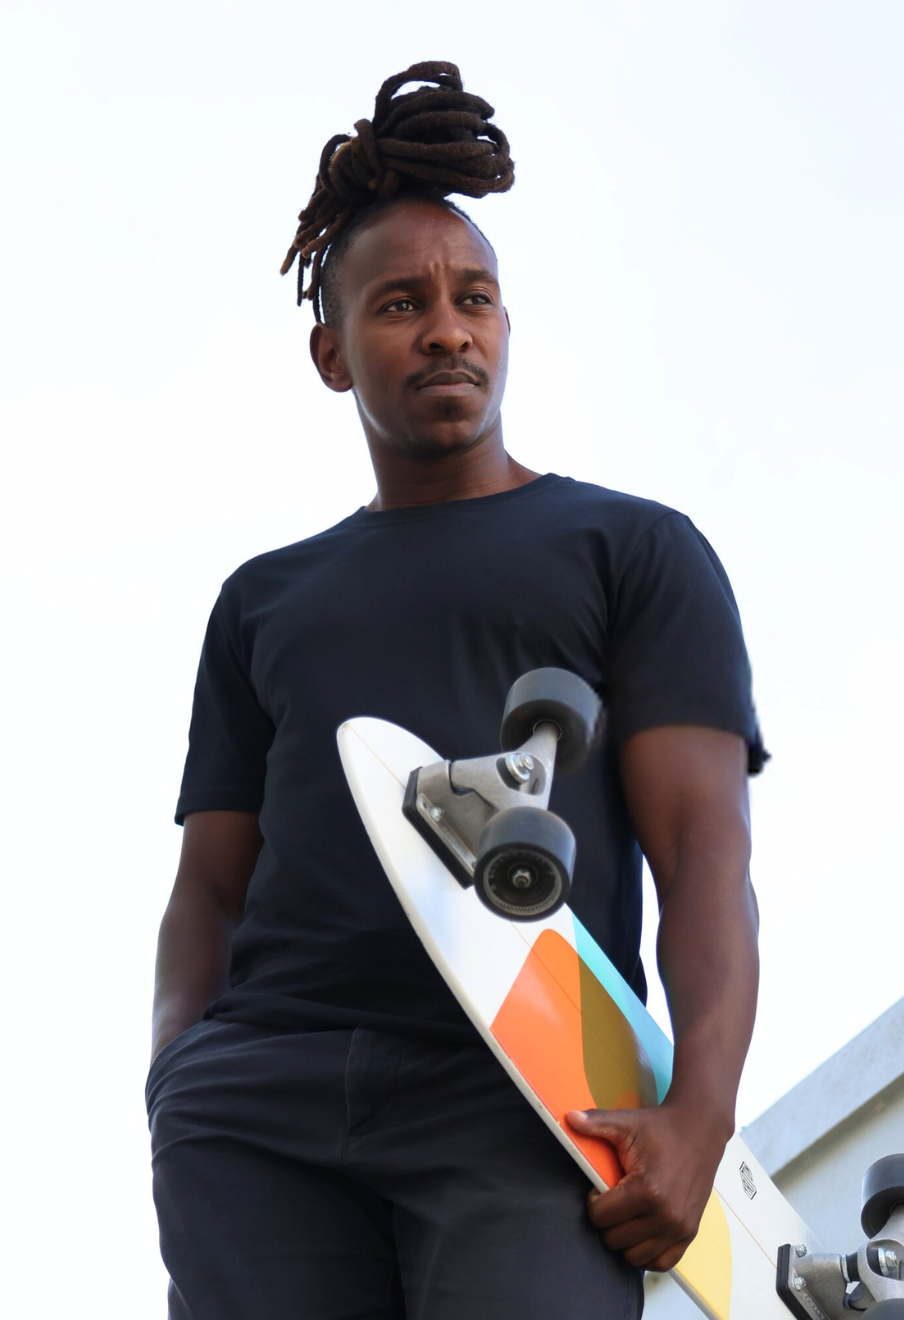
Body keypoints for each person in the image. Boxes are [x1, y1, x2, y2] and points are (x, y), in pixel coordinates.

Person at [147, 61, 765, 1320]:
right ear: (332, 353)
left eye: (474, 298)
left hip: (525, 1094)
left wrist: (701, 1107)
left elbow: (704, 849)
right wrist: (178, 1079)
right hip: (263, 1109)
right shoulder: (264, 597)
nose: (447, 328)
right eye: (401, 304)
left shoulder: (632, 550)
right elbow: (209, 883)